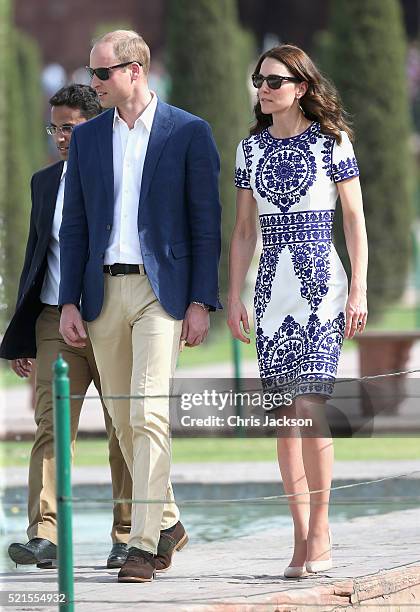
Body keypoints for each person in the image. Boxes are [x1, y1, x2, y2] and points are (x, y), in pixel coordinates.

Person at [59, 30, 221, 583]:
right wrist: (68, 302)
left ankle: (145, 544)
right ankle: (170, 519)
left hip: (161, 293)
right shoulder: (87, 140)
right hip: (102, 291)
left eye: (101, 74)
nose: (93, 84)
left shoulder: (189, 132)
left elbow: (207, 226)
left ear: (134, 70)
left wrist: (201, 300)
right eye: (91, 74)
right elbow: (75, 224)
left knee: (148, 413)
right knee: (124, 421)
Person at [228, 45, 368, 578]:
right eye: (259, 80)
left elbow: (354, 222)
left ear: (301, 87)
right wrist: (235, 294)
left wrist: (358, 290)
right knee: (285, 422)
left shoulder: (332, 143)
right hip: (271, 293)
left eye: (274, 81)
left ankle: (322, 530)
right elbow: (243, 231)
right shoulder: (250, 150)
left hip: (321, 289)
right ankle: (298, 533)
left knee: (310, 409)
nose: (263, 88)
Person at [0, 84, 133, 570]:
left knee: (123, 429)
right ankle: (45, 535)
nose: (60, 136)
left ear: (94, 126)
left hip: (111, 317)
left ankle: (126, 535)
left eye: (69, 127)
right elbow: (36, 259)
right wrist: (22, 335)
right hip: (54, 321)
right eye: (54, 127)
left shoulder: (119, 178)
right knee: (50, 428)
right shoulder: (43, 182)